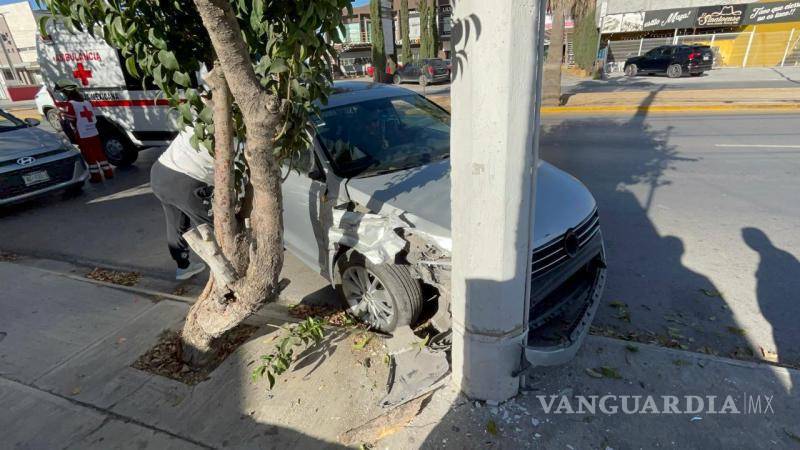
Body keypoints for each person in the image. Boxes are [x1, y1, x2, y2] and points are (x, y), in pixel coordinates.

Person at [150, 127, 214, 280]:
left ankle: (183, 266)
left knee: (176, 223)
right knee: (215, 227)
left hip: (160, 172)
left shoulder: (199, 119)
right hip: (187, 182)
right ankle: (225, 272)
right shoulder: (238, 130)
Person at [54, 81, 113, 182]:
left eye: (63, 93)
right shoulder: (86, 102)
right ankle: (108, 173)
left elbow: (72, 118)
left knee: (89, 156)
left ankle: (96, 177)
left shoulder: (71, 103)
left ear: (66, 93)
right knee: (99, 153)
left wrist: (61, 114)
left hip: (83, 134)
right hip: (93, 131)